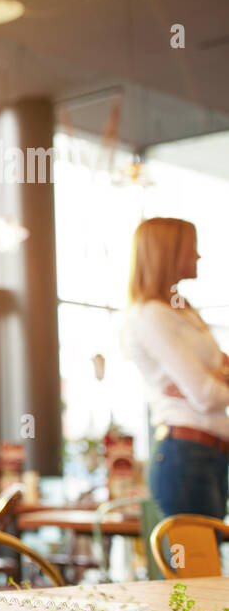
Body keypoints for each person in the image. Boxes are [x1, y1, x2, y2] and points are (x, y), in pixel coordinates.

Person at [120, 216, 229, 519]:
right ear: (167, 253)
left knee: (207, 562)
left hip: (210, 452)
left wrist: (213, 378)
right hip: (185, 454)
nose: (198, 256)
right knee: (196, 564)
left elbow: (213, 378)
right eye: (190, 248)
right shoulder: (151, 315)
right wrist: (212, 380)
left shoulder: (183, 311)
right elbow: (206, 396)